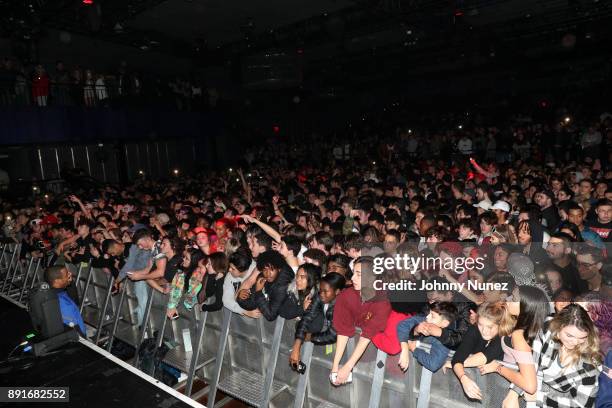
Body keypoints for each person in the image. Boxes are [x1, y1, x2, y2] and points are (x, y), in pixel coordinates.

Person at [479, 285, 550, 407]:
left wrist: (498, 368)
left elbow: (529, 385)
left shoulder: (520, 335)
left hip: (511, 393)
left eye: (514, 298)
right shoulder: (528, 329)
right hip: (507, 389)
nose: (509, 299)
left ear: (526, 306)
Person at [330, 256, 391, 386]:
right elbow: (343, 330)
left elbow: (367, 334)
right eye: (353, 273)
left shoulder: (382, 300)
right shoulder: (347, 295)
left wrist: (347, 367)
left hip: (374, 356)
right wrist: (335, 365)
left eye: (359, 275)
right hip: (348, 350)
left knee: (366, 390)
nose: (352, 278)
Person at [532, 304, 601, 408]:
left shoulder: (590, 364)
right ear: (558, 327)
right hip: (533, 391)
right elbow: (531, 365)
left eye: (582, 337)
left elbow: (581, 404)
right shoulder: (547, 329)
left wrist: (539, 397)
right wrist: (515, 392)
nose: (575, 342)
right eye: (569, 335)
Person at [451, 302, 515, 401]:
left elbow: (484, 357)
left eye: (490, 327)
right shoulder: (474, 329)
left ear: (500, 325)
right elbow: (458, 357)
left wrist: (455, 364)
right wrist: (463, 378)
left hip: (503, 387)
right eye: (480, 325)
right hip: (481, 384)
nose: (484, 331)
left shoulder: (504, 336)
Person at [397, 301, 458, 372]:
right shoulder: (426, 321)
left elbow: (433, 364)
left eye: (432, 316)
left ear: (444, 323)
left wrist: (414, 349)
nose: (427, 317)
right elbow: (403, 325)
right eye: (429, 313)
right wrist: (405, 349)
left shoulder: (446, 341)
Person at [237, 250, 295, 321]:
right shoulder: (263, 278)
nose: (268, 273)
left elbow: (271, 315)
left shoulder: (283, 286)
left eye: (271, 269)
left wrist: (258, 292)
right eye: (264, 270)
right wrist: (241, 298)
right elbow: (253, 303)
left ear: (279, 269)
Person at [45, 265, 86, 335]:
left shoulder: (51, 292)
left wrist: (69, 281)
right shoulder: (63, 303)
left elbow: (73, 298)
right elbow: (75, 329)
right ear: (57, 281)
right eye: (67, 274)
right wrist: (85, 340)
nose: (70, 275)